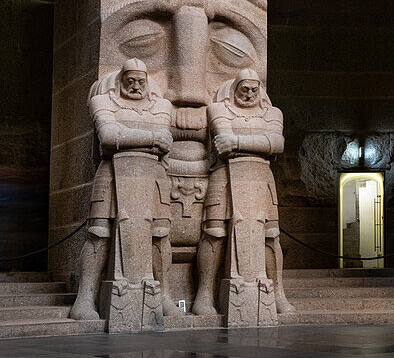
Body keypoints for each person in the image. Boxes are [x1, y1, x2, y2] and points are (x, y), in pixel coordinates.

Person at [70, 60, 176, 320]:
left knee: (160, 235)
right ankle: (85, 297)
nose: (136, 86)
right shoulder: (103, 102)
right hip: (111, 174)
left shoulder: (161, 105)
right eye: (130, 81)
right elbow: (107, 136)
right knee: (99, 233)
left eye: (141, 81)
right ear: (120, 79)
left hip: (154, 177)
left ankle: (164, 295)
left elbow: (166, 139)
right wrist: (150, 139)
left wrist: (126, 136)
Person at [192, 68, 294, 316]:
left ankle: (277, 292)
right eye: (244, 89)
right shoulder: (219, 109)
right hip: (224, 176)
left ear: (260, 91)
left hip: (261, 178)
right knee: (214, 232)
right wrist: (260, 143)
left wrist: (238, 143)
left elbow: (277, 144)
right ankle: (204, 295)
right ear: (234, 89)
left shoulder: (273, 113)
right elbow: (222, 142)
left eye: (253, 90)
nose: (249, 94)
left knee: (270, 236)